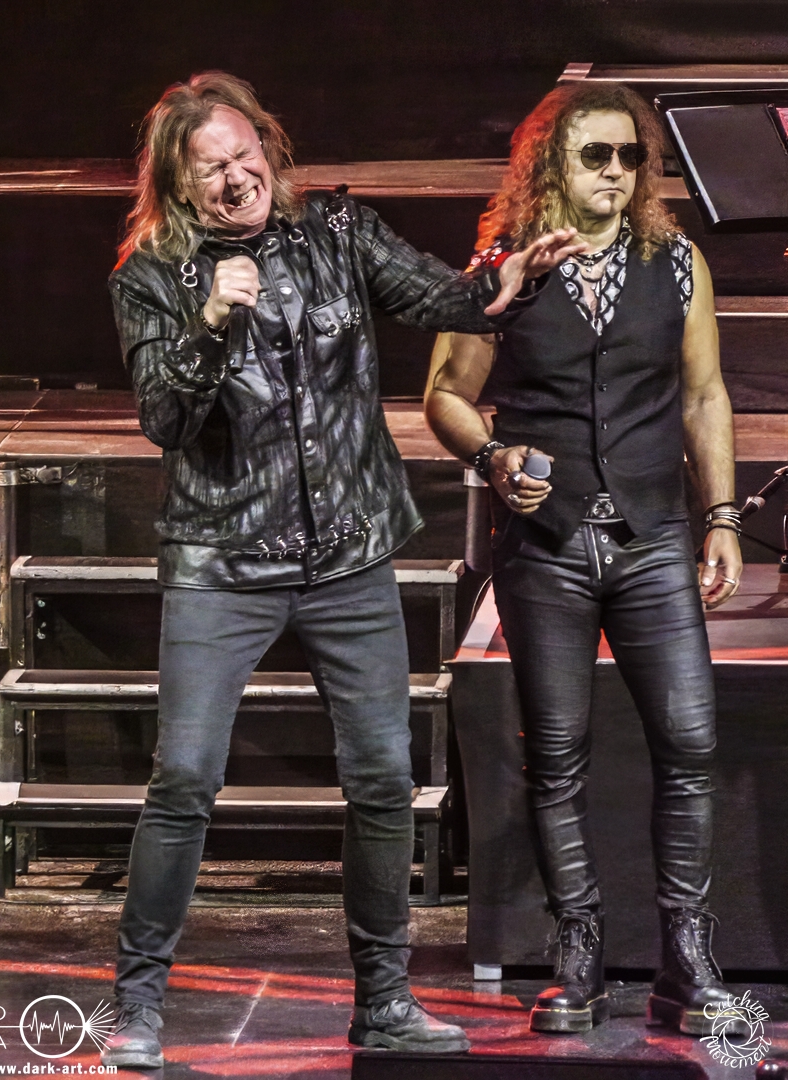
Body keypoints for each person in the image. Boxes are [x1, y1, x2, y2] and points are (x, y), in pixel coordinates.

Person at [101, 71, 582, 1068]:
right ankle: (135, 1007)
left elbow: (444, 297)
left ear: (270, 151)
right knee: (183, 778)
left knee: (382, 779)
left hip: (348, 558)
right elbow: (165, 420)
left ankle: (385, 1000)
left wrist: (513, 275)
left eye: (244, 157)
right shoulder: (153, 275)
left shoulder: (337, 231)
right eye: (210, 170)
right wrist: (209, 322)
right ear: (179, 187)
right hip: (223, 562)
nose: (235, 180)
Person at [425, 81, 743, 1037]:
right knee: (556, 757)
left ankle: (688, 959)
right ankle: (579, 953)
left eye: (630, 155)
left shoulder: (675, 262)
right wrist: (494, 457)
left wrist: (722, 518)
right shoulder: (502, 268)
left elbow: (704, 396)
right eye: (594, 154)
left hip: (652, 539)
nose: (616, 171)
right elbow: (445, 393)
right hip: (546, 547)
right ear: (549, 165)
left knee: (690, 744)